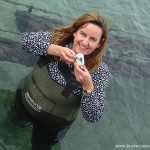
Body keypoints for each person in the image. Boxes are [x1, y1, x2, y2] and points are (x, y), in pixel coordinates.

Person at [11, 12, 110, 150]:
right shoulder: (58, 39)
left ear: (99, 44)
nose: (85, 42)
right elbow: (26, 41)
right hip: (24, 100)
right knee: (12, 123)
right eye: (83, 34)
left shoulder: (99, 71)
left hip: (51, 126)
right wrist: (55, 49)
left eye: (93, 39)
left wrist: (87, 85)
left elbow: (93, 116)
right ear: (75, 32)